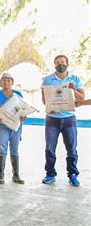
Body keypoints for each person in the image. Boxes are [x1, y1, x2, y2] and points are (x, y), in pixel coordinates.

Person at [41, 55, 84, 186]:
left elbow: (82, 97)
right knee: (49, 148)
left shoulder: (75, 79)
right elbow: (44, 99)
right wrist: (49, 108)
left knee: (72, 148)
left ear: (67, 64)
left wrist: (73, 89)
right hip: (52, 119)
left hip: (69, 118)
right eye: (57, 62)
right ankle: (50, 174)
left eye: (62, 62)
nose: (60, 64)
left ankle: (72, 174)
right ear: (54, 65)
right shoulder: (48, 79)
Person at [0, 73, 26, 185]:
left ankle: (16, 175)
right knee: (2, 149)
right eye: (4, 80)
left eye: (8, 80)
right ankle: (1, 175)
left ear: (12, 82)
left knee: (14, 150)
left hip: (15, 127)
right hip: (2, 126)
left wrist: (24, 116)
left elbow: (23, 108)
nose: (6, 82)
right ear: (1, 82)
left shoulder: (18, 94)